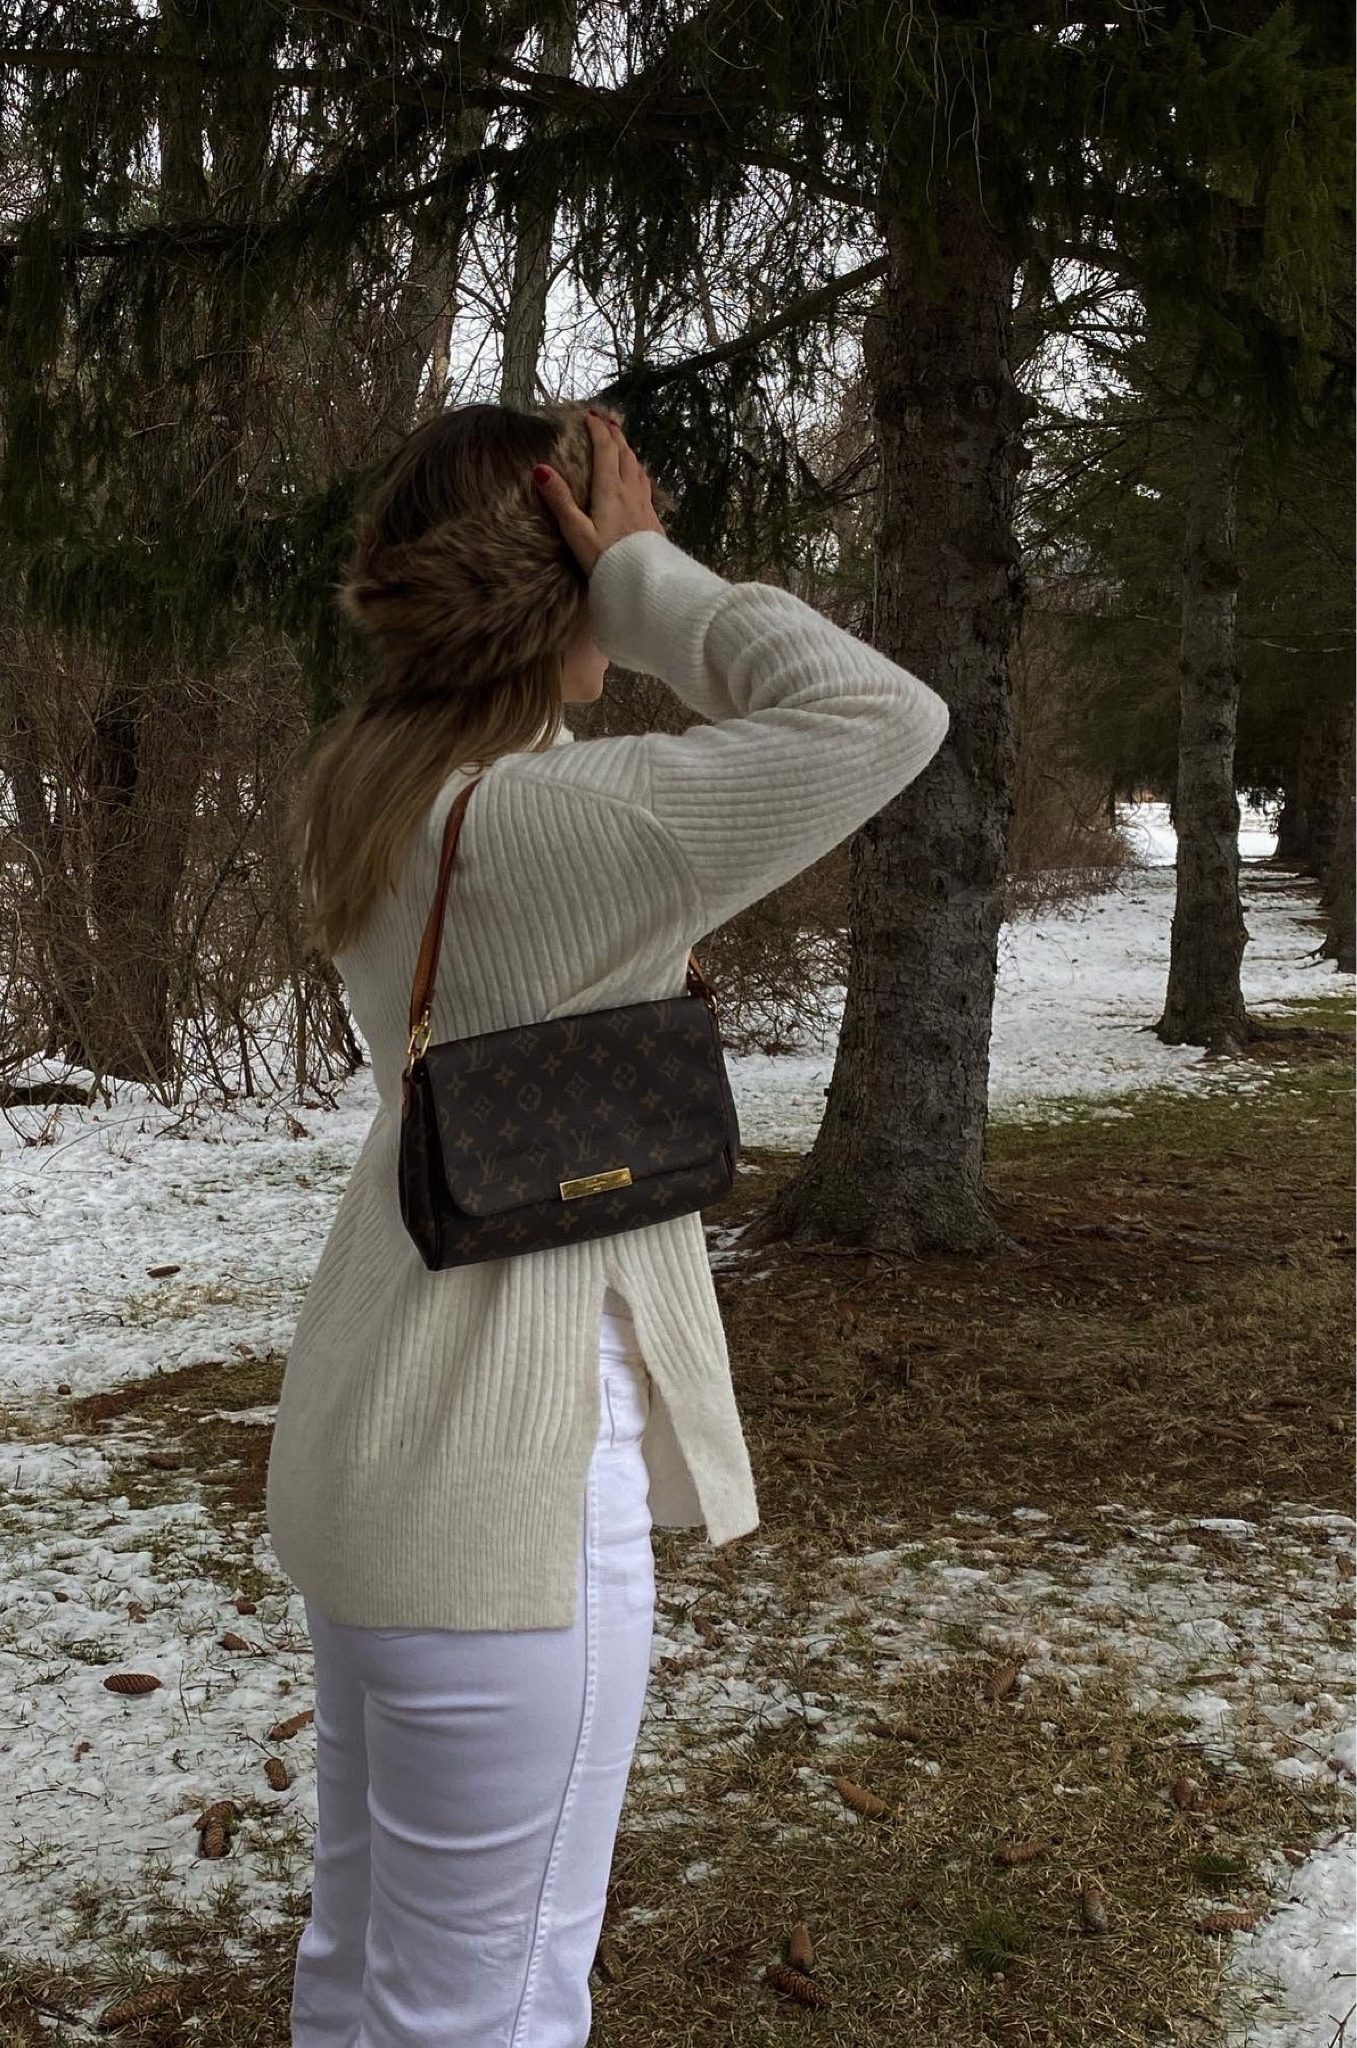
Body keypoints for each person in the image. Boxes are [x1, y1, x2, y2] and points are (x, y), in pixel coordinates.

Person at [265, 401, 951, 2046]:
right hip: (508, 1498)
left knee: (367, 1974)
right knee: (491, 2005)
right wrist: (643, 580)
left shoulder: (387, 787)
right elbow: (883, 714)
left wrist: (586, 583)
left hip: (379, 1457)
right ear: (551, 567)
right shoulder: (574, 828)